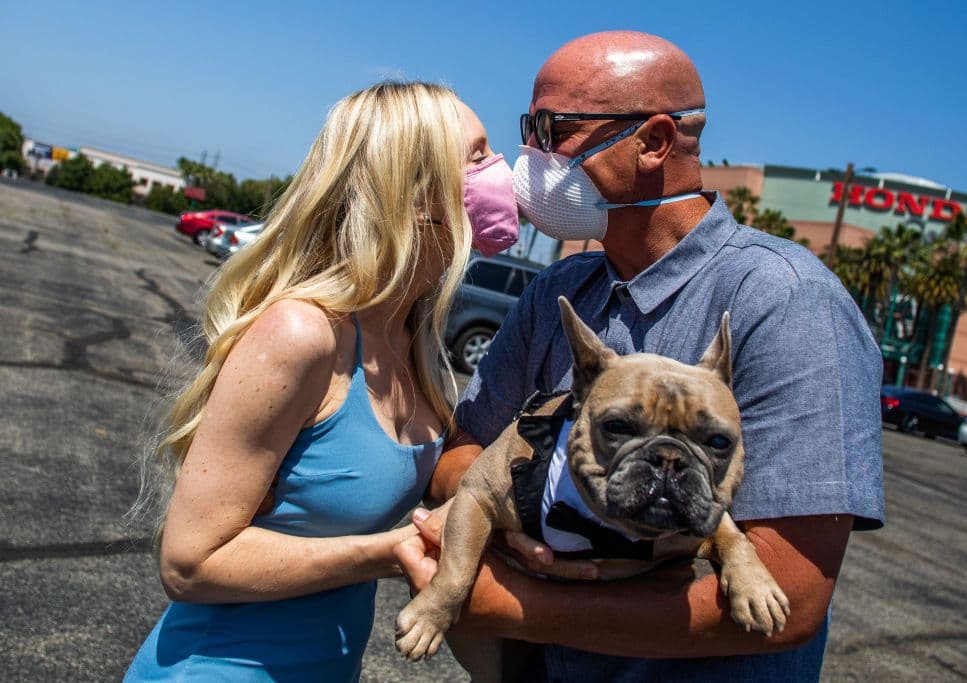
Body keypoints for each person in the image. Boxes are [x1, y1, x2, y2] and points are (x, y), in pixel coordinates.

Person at [397, 31, 884, 681]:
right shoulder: (558, 291)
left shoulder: (787, 302)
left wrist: (521, 606)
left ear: (653, 142)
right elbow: (461, 456)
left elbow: (790, 595)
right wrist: (520, 519)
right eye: (528, 130)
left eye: (553, 130)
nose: (531, 158)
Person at [124, 81, 519, 681]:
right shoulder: (302, 333)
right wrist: (389, 552)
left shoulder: (411, 338)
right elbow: (188, 563)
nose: (501, 170)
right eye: (477, 155)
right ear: (416, 193)